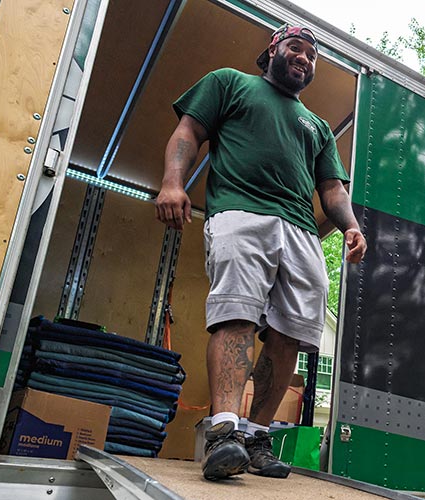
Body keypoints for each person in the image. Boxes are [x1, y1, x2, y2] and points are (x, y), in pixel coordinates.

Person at [155, 24, 366, 481]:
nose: (305, 59)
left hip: (302, 232)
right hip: (240, 212)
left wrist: (350, 226)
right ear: (272, 49)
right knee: (238, 315)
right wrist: (173, 183)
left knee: (291, 333)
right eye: (296, 48)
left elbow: (331, 188)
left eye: (312, 55)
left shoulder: (316, 127)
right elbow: (188, 131)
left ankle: (255, 436)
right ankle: (224, 431)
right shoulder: (230, 82)